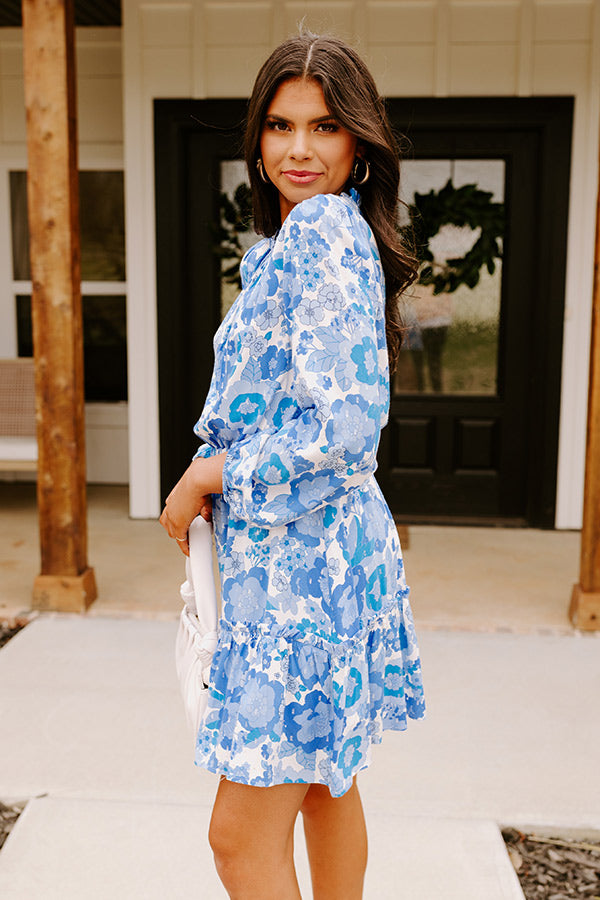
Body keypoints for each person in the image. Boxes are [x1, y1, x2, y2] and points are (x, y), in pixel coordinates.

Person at [160, 32, 426, 900]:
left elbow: (350, 426)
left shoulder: (318, 232)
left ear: (358, 144)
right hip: (316, 551)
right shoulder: (302, 238)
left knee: (238, 840)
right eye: (279, 126)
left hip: (301, 566)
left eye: (324, 127)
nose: (299, 149)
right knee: (322, 782)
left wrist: (211, 476)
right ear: (258, 137)